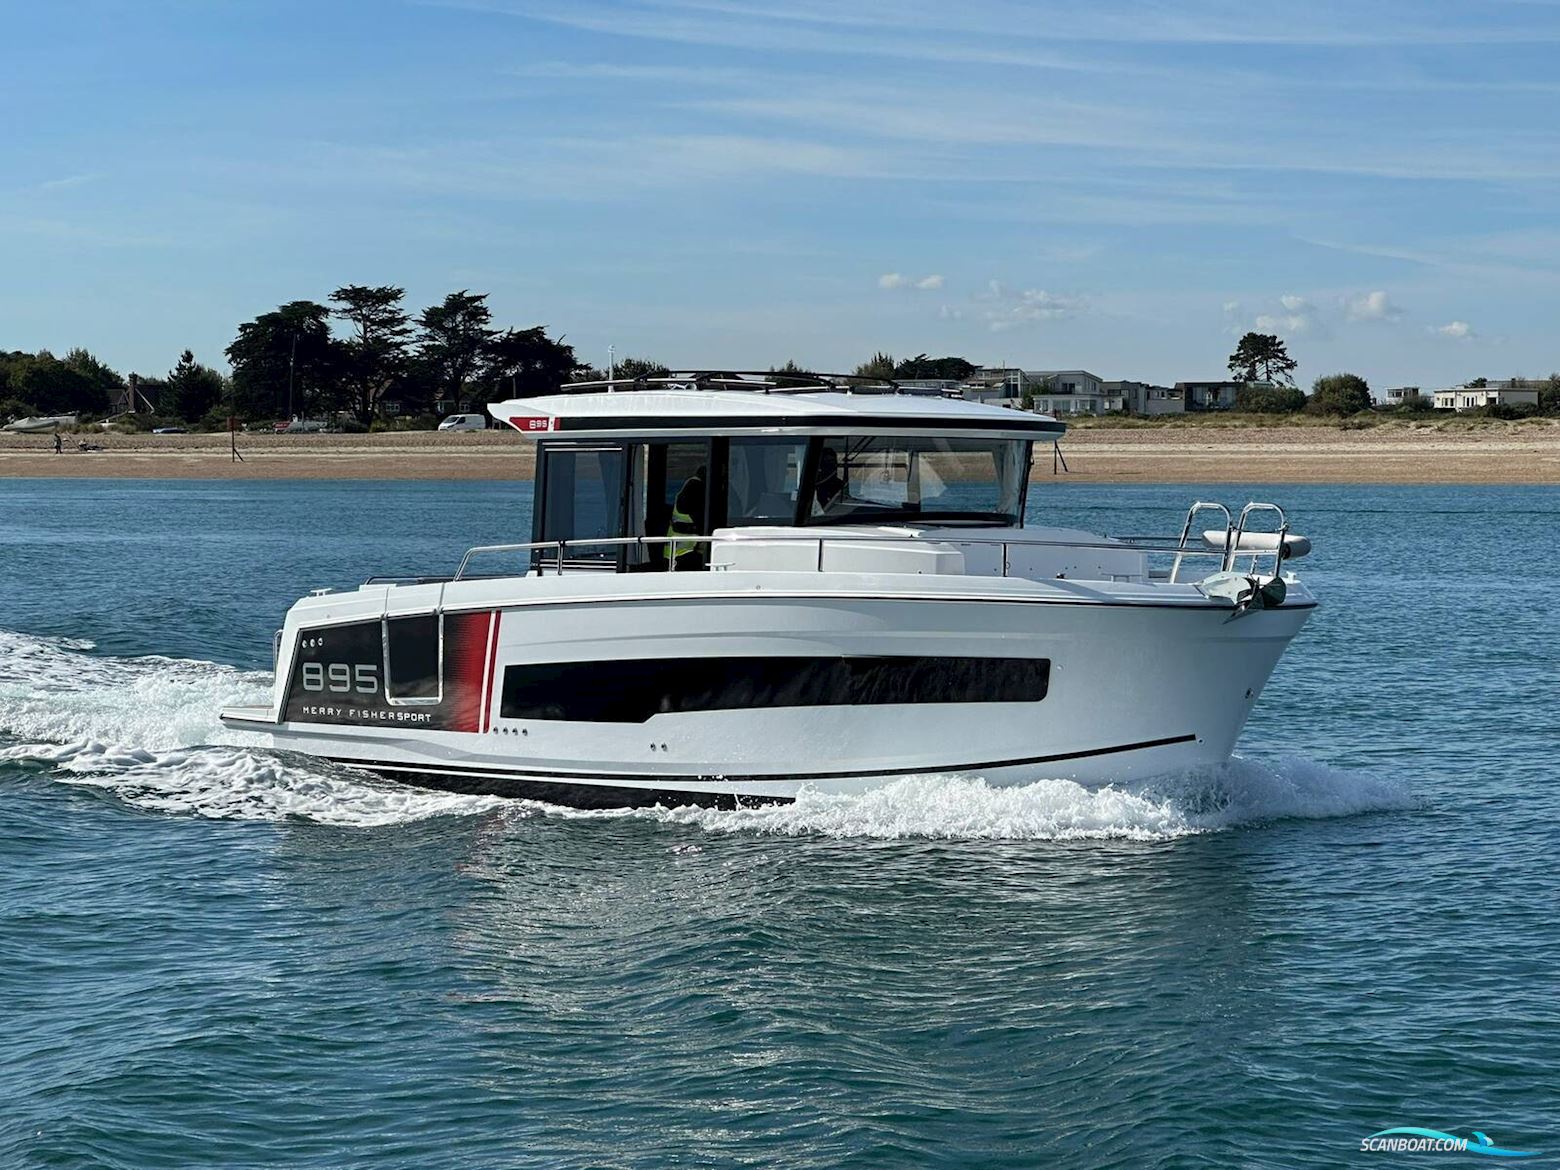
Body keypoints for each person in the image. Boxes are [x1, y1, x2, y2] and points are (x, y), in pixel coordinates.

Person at [667, 465, 707, 569]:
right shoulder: (695, 487)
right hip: (686, 552)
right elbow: (702, 519)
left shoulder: (690, 486)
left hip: (677, 551)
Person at [813, 445, 845, 514]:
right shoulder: (812, 486)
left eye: (833, 462)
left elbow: (847, 502)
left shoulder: (840, 485)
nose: (832, 466)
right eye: (827, 463)